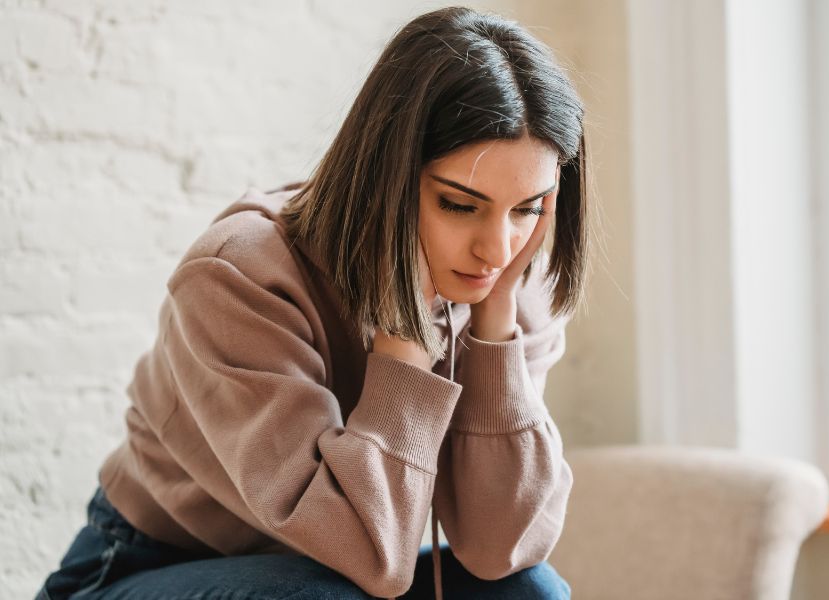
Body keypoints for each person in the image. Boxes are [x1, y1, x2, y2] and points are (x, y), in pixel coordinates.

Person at [36, 5, 589, 599]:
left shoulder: (506, 290)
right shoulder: (239, 277)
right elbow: (369, 558)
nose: (497, 250)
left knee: (531, 591)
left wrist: (497, 330)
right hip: (140, 566)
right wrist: (404, 332)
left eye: (528, 208)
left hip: (342, 575)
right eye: (459, 204)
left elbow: (500, 549)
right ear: (387, 172)